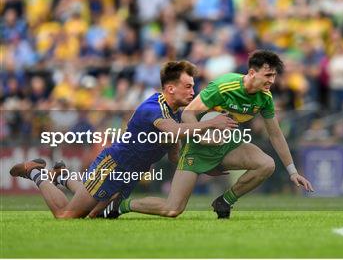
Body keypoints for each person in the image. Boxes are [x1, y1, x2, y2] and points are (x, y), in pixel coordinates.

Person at [100, 50, 314, 219]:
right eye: (268, 75)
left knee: (266, 164)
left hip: (227, 144)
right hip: (197, 147)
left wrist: (292, 171)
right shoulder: (224, 86)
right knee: (172, 209)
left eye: (274, 76)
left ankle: (224, 201)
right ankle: (122, 204)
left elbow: (276, 135)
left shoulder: (264, 98)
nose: (272, 81)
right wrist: (202, 138)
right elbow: (187, 114)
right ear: (251, 73)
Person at [9, 61, 236, 218]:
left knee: (95, 214)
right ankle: (36, 172)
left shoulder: (176, 111)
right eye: (188, 86)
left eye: (193, 86)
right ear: (170, 88)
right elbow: (174, 131)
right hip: (113, 166)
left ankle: (63, 176)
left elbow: (175, 154)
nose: (192, 91)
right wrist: (211, 123)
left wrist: (204, 168)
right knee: (66, 214)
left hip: (129, 174)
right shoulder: (153, 108)